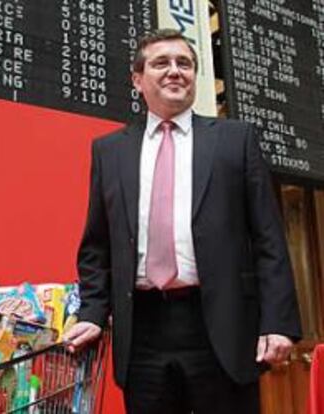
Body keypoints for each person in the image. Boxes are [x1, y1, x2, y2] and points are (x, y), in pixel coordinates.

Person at [64, 29, 302, 413]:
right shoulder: (110, 151)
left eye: (184, 63)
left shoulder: (235, 140)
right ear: (138, 80)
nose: (175, 71)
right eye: (162, 63)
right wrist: (92, 312)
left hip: (221, 325)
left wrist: (278, 321)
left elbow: (268, 238)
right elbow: (97, 246)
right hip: (141, 330)